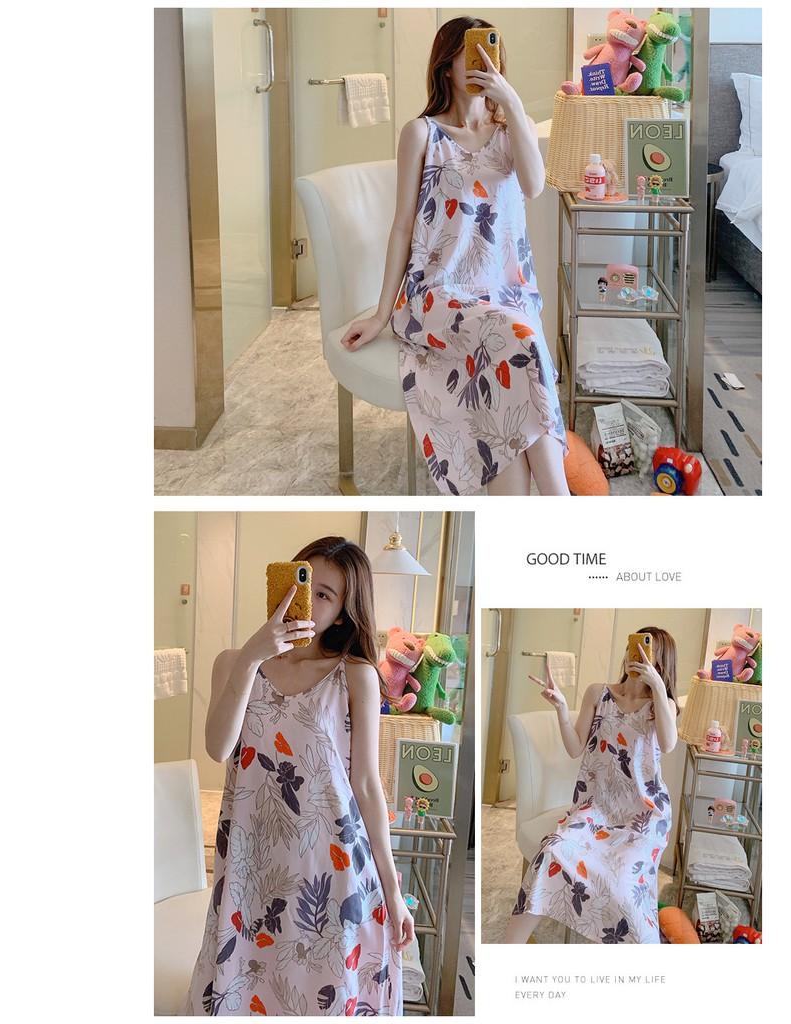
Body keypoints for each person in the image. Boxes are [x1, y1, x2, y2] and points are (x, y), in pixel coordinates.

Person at [182, 537, 414, 1016]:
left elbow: (366, 786)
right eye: (302, 581)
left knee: (321, 994)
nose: (303, 599)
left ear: (344, 613)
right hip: (250, 864)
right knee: (246, 985)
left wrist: (393, 891)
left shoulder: (355, 674)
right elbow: (218, 748)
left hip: (329, 867)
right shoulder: (233, 662)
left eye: (324, 594)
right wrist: (252, 656)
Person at [340, 17, 569, 496]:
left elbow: (534, 186)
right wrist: (383, 314)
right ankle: (559, 499)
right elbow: (403, 226)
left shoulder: (514, 128)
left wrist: (513, 103)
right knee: (522, 341)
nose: (483, 64)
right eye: (471, 56)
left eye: (491, 55)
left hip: (506, 294)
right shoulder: (421, 134)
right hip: (438, 295)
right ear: (446, 66)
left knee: (510, 373)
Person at [503, 627, 680, 944]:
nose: (636, 656)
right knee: (552, 851)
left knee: (624, 886)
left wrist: (656, 686)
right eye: (633, 647)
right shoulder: (598, 693)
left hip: (643, 816)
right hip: (596, 808)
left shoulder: (661, 705)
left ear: (660, 661)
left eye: (647, 651)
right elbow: (575, 748)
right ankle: (509, 948)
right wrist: (561, 708)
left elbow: (668, 744)